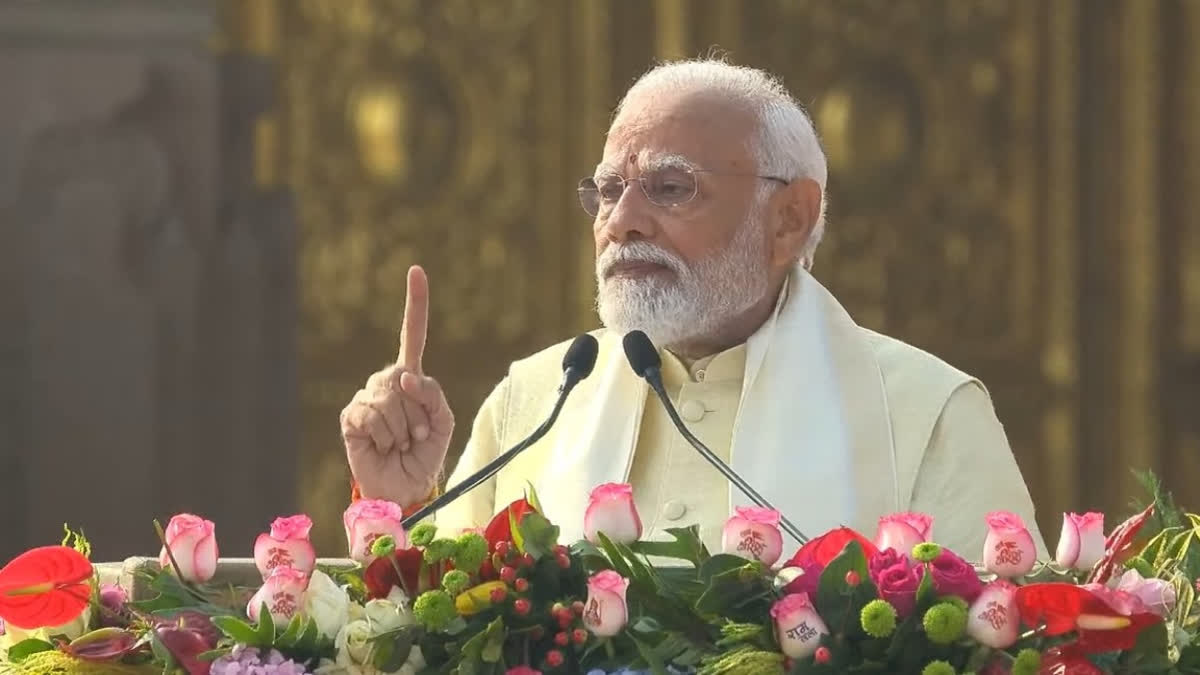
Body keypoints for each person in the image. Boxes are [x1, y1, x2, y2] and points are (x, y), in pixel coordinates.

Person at [340, 59, 1044, 559]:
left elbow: (1010, 641)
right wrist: (399, 502)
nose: (624, 220)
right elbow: (440, 638)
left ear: (790, 219)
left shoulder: (925, 412)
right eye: (608, 191)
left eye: (671, 187)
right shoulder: (539, 397)